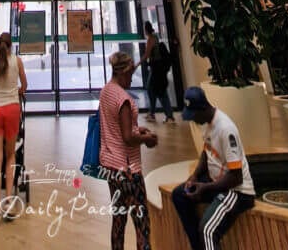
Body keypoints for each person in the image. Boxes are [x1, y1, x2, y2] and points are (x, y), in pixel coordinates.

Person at [171, 87, 255, 250]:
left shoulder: (225, 129)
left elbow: (236, 177)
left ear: (203, 108)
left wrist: (205, 187)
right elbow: (206, 151)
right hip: (217, 183)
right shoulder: (207, 122)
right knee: (179, 195)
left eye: (194, 115)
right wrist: (195, 177)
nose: (193, 120)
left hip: (237, 191)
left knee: (208, 231)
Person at [99, 50, 158, 250]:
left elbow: (114, 126)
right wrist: (146, 139)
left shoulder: (106, 91)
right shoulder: (123, 99)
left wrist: (136, 128)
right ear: (123, 72)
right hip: (128, 169)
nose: (132, 79)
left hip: (110, 166)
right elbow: (127, 137)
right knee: (142, 224)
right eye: (131, 75)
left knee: (118, 220)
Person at [0, 32, 27, 226]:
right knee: (10, 157)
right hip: (12, 110)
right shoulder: (17, 61)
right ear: (11, 46)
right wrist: (14, 93)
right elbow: (24, 86)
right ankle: (9, 200)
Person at [138, 21, 176, 124]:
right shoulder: (155, 36)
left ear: (146, 30)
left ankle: (169, 116)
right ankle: (153, 113)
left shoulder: (151, 39)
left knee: (159, 91)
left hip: (156, 69)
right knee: (152, 89)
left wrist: (137, 64)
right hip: (158, 68)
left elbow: (147, 54)